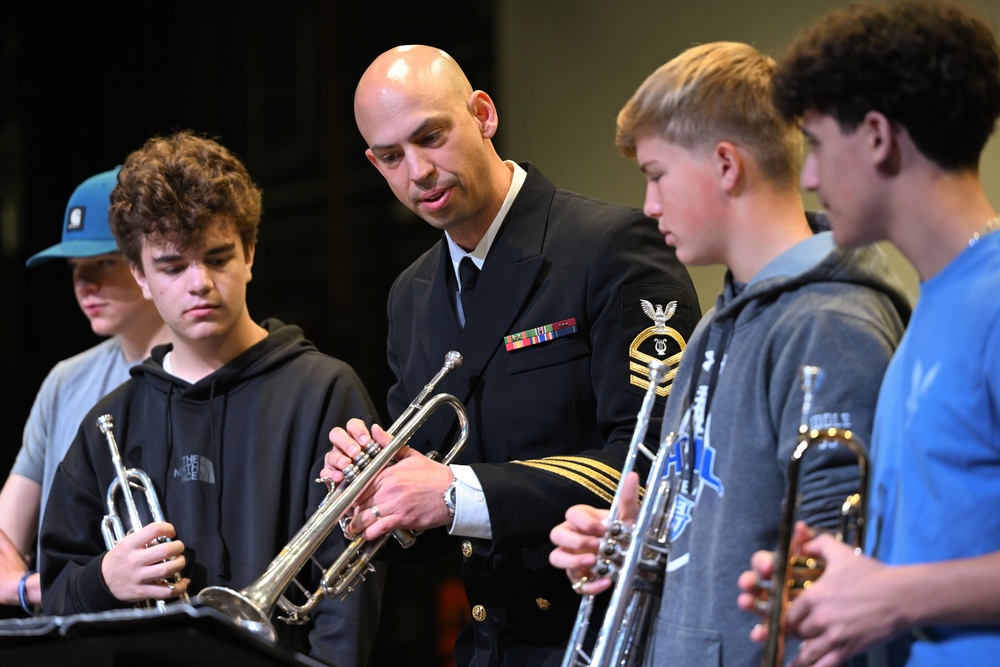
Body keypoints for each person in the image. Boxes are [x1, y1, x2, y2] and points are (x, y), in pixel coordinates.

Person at [322, 44, 700, 666]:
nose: (418, 172)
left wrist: (449, 492)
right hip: (491, 647)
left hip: (614, 638)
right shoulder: (411, 294)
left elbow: (657, 466)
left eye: (431, 137)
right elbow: (427, 524)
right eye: (392, 157)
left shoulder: (610, 247)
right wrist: (374, 496)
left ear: (484, 114)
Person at [547, 41, 911, 665]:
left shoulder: (830, 325)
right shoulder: (716, 325)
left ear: (724, 165)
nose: (650, 205)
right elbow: (714, 528)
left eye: (657, 176)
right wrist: (638, 547)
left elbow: (837, 582)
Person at [39, 132, 381, 666]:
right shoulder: (111, 419)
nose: (199, 283)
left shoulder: (324, 393)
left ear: (249, 253)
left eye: (218, 258)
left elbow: (346, 599)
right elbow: (55, 602)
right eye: (173, 267)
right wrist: (104, 579)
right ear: (141, 276)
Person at [736, 2, 1000, 665]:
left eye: (818, 144)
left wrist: (896, 594)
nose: (810, 178)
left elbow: (908, 590)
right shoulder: (933, 309)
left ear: (878, 136)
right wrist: (841, 586)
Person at [0, 168, 169, 615]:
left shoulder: (202, 377)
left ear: (144, 261)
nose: (83, 284)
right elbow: (4, 535)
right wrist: (41, 590)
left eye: (102, 262)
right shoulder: (65, 381)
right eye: (75, 268)